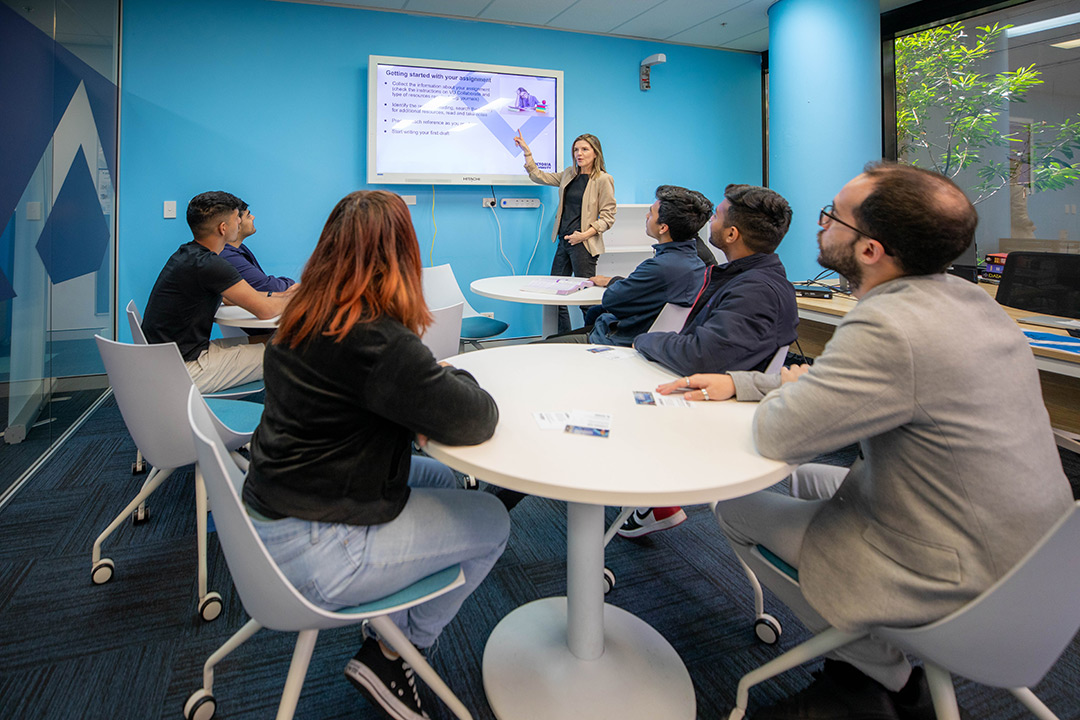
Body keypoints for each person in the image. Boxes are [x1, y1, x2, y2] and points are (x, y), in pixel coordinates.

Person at [658, 162, 1073, 719]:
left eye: (832, 217)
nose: (820, 225)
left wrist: (784, 393)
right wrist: (744, 382)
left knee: (737, 504)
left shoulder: (889, 326)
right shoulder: (968, 301)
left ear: (871, 250)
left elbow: (779, 432)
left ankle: (872, 673)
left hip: (953, 574)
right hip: (1035, 556)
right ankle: (871, 662)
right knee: (802, 480)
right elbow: (848, 382)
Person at [242, 190, 510, 720]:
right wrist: (441, 388)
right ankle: (395, 652)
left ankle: (392, 626)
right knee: (493, 520)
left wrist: (421, 398)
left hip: (271, 511)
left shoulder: (304, 317)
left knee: (450, 482)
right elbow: (476, 417)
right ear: (401, 254)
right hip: (319, 548)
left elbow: (386, 398)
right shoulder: (377, 341)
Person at [618, 184, 800, 538]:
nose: (710, 221)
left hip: (710, 410)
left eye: (716, 216)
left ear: (731, 234)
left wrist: (645, 339)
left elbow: (700, 355)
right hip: (709, 392)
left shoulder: (755, 290)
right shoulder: (752, 278)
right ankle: (655, 501)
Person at [141, 191, 288, 394]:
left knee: (274, 340)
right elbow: (266, 311)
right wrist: (306, 297)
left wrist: (282, 296)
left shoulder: (187, 254)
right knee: (291, 351)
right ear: (223, 228)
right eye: (237, 218)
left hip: (170, 360)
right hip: (187, 369)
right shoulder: (211, 264)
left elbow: (231, 298)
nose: (240, 222)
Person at [542, 185, 710, 346]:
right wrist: (616, 281)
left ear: (663, 228)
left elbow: (612, 300)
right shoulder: (694, 263)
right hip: (637, 336)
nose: (646, 217)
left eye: (650, 214)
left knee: (538, 347)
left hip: (616, 340)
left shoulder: (659, 267)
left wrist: (617, 284)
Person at [514, 130, 616, 333]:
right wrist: (527, 153)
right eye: (576, 149)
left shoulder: (603, 179)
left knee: (586, 299)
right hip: (564, 241)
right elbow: (539, 176)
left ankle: (594, 338)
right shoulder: (569, 174)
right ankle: (563, 338)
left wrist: (584, 235)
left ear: (595, 153)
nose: (579, 153)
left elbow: (608, 216)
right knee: (554, 295)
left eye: (585, 149)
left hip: (584, 245)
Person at [219, 198, 298, 294]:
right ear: (235, 223)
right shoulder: (227, 255)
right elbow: (267, 286)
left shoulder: (240, 248)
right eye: (248, 216)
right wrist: (291, 284)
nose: (253, 217)